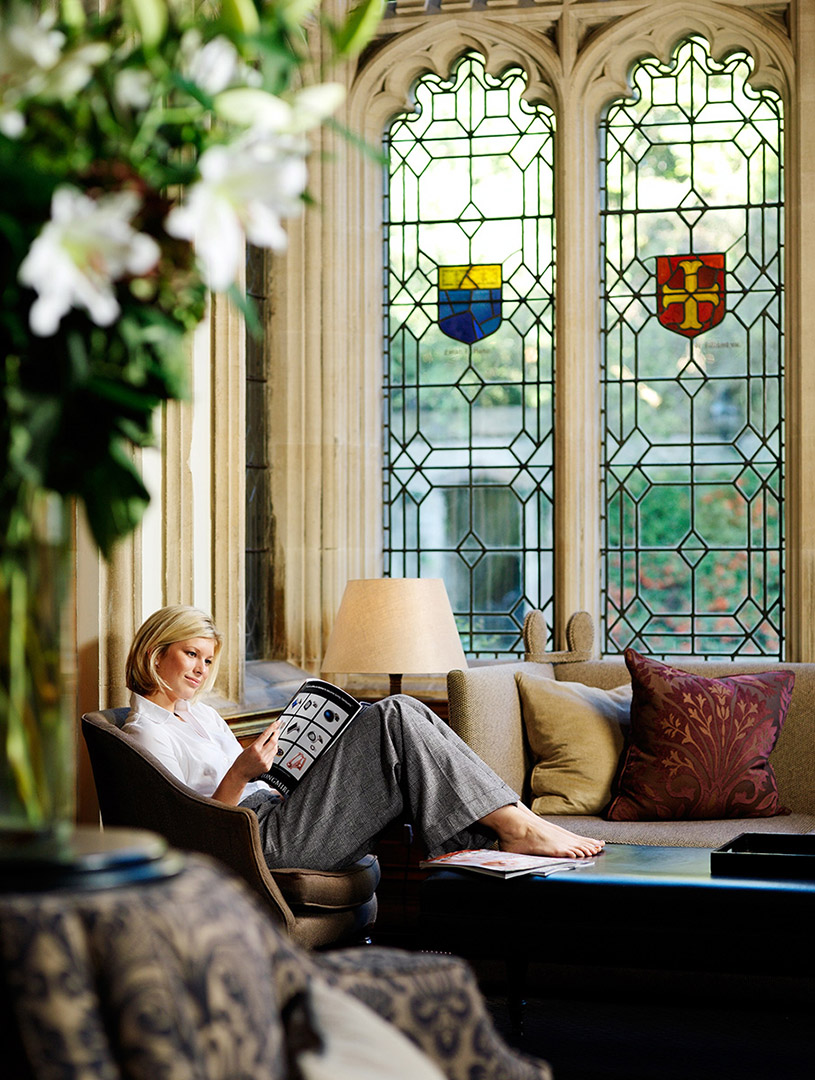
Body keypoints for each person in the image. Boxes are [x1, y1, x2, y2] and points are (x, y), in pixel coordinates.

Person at [123, 605, 604, 870]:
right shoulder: (144, 733)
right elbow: (196, 829)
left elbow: (249, 781)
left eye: (208, 660)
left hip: (275, 809)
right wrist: (241, 771)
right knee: (394, 713)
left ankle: (508, 829)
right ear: (154, 652)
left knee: (405, 713)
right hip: (254, 839)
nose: (201, 670)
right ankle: (516, 828)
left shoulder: (201, 716)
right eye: (191, 655)